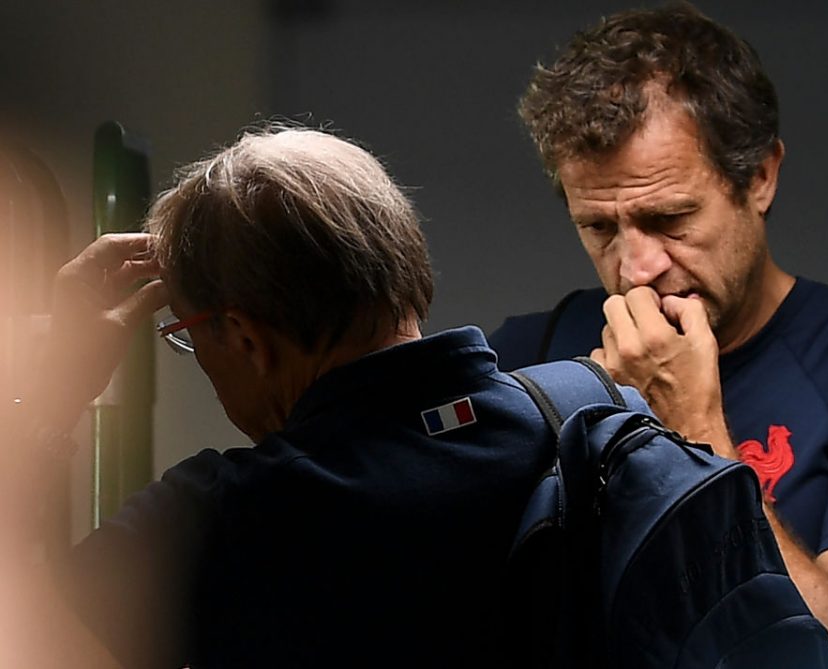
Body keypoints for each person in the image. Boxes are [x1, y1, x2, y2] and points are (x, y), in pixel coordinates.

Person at [0, 127, 634, 667]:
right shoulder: (598, 417)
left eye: (187, 335)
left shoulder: (213, 524)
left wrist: (48, 393)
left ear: (246, 338)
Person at [488, 5, 828, 669]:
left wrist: (694, 430)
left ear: (760, 176)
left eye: (669, 217)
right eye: (599, 227)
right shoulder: (523, 359)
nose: (636, 268)